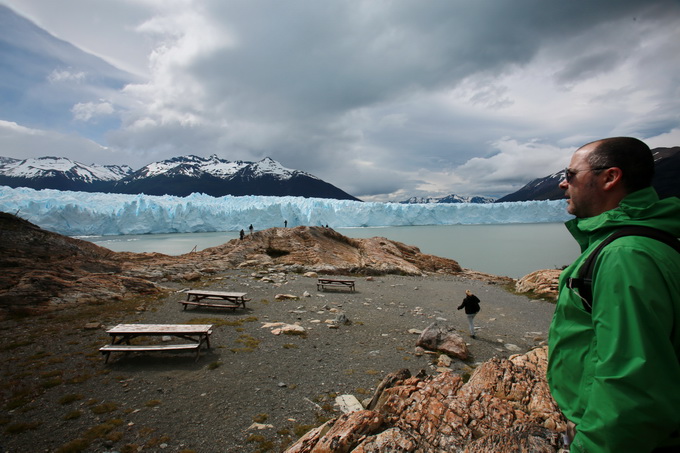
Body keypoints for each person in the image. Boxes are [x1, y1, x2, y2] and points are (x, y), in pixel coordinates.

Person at [547, 137, 680, 452]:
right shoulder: (644, 240)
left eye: (572, 175)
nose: (563, 184)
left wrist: (591, 446)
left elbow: (631, 381)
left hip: (606, 434)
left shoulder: (625, 256)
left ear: (610, 177)